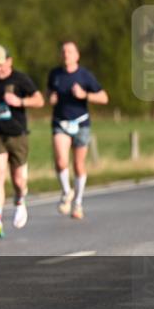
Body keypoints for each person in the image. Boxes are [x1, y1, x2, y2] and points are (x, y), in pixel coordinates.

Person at [0, 44, 45, 238]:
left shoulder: (20, 79)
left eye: (0, 64)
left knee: (18, 179)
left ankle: (19, 200)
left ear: (9, 61)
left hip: (17, 134)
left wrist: (20, 101)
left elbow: (39, 100)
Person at [47, 41, 108, 220]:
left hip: (81, 123)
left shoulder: (85, 76)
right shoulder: (55, 74)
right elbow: (48, 93)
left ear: (77, 55)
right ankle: (67, 192)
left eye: (70, 51)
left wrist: (85, 95)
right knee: (60, 161)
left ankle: (78, 202)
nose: (66, 54)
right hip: (60, 122)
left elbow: (104, 97)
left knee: (78, 165)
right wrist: (51, 97)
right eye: (64, 51)